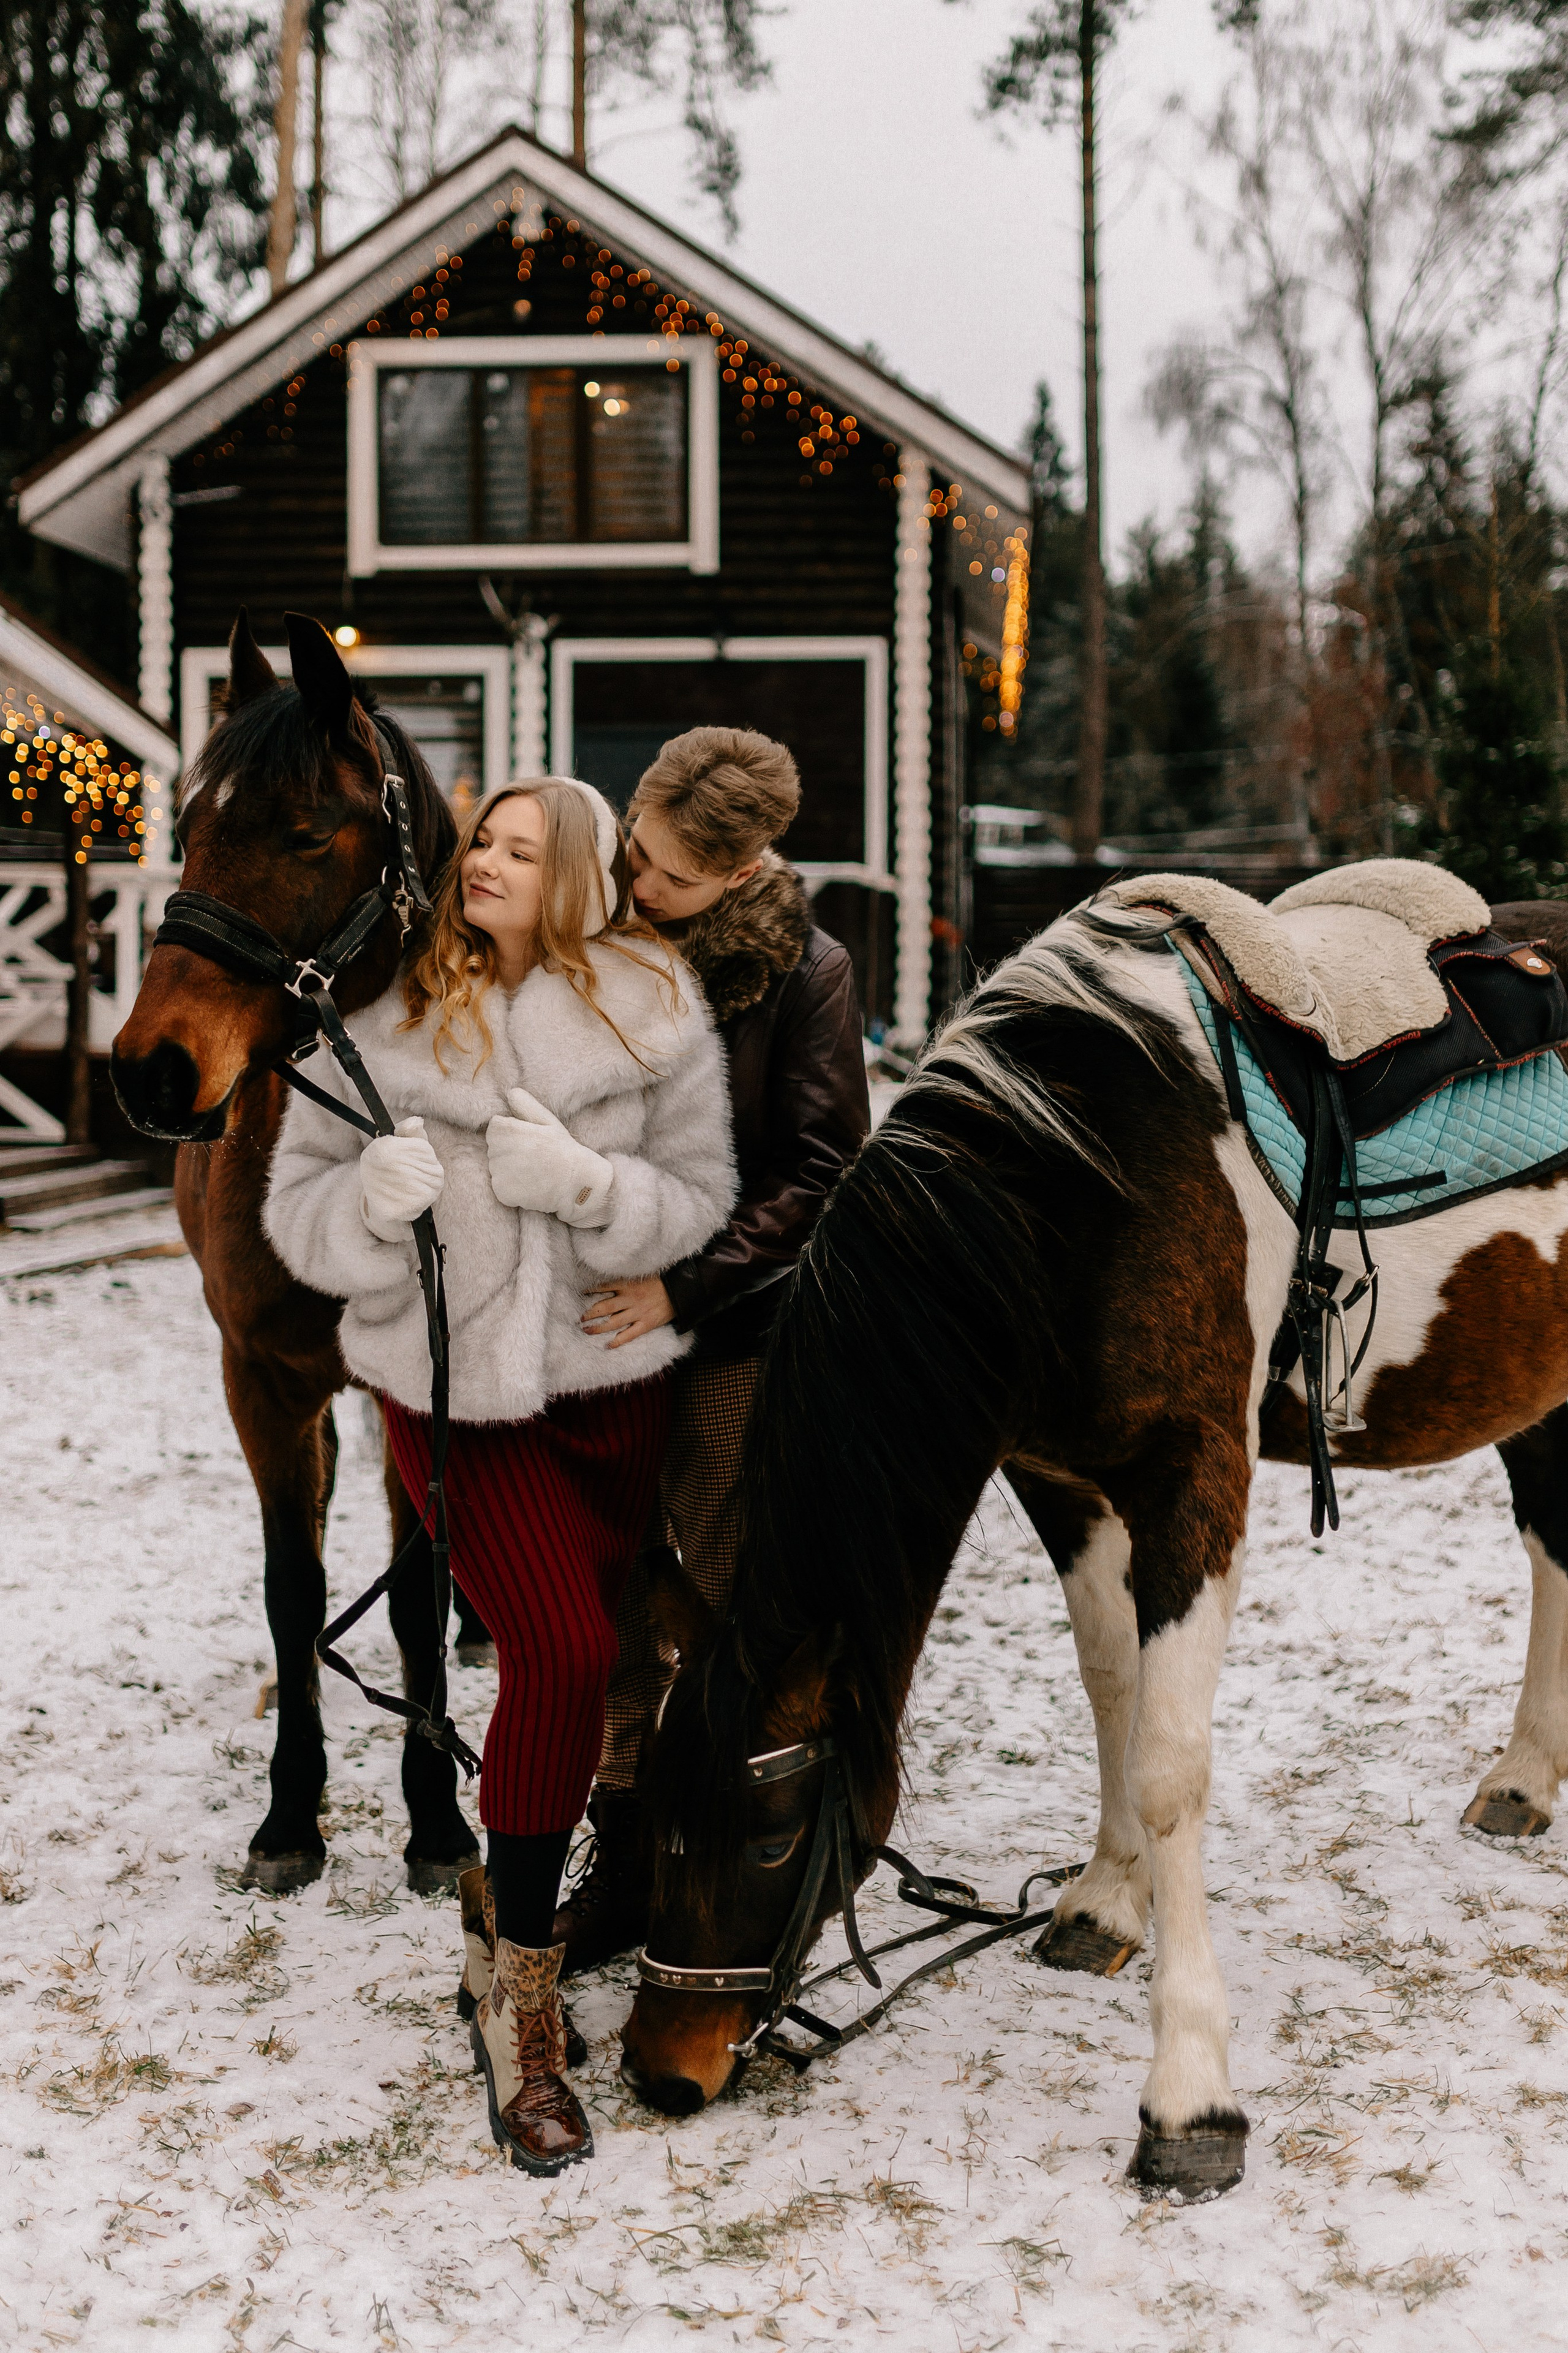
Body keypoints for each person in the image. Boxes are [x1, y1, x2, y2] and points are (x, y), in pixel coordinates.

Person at [263, 778, 734, 2178]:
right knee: (563, 1648)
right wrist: (360, 1205)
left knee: (592, 1662)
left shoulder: (654, 1004)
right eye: (483, 840)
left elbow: (698, 1197)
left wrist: (589, 1184)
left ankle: (515, 1915)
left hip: (611, 1390)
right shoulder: (392, 1012)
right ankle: (521, 2012)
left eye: (522, 850)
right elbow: (296, 1209)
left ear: (577, 877)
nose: (486, 861)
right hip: (457, 1398)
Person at [552, 726, 872, 1970]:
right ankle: (621, 1848)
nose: (639, 889)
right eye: (634, 856)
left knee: (732, 1603)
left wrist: (681, 1287)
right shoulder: (599, 943)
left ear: (741, 872)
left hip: (729, 1331)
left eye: (672, 880)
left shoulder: (807, 971)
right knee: (608, 1592)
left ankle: (737, 1856)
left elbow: (819, 1168)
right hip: (587, 1328)